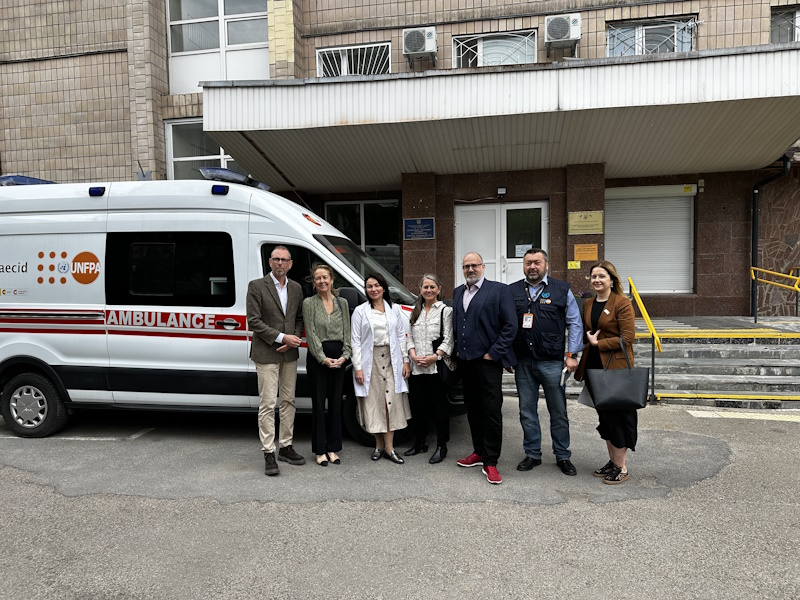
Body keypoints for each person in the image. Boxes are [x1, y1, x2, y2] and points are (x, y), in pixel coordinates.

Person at [510, 248, 583, 476]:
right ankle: (532, 454)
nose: (532, 267)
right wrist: (507, 356)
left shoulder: (562, 290)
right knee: (526, 411)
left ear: (546, 265)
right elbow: (505, 325)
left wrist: (572, 355)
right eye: (528, 263)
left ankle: (563, 455)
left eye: (537, 262)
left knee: (558, 411)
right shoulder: (512, 291)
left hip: (552, 363)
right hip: (523, 362)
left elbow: (575, 323)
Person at [452, 252, 518, 485]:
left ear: (483, 266)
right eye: (466, 266)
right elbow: (457, 323)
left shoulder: (499, 290)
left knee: (491, 411)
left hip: (488, 362)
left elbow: (510, 326)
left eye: (474, 265)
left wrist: (494, 353)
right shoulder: (458, 292)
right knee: (473, 409)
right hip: (466, 361)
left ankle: (491, 461)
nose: (470, 269)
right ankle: (479, 452)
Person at [574, 260, 637, 485]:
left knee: (618, 417)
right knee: (605, 417)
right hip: (594, 368)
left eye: (602, 276)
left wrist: (598, 343)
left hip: (615, 369)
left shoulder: (622, 303)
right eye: (594, 276)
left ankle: (622, 467)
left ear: (612, 279)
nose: (597, 280)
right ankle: (612, 462)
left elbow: (628, 337)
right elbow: (586, 332)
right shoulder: (588, 303)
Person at [247, 245, 306, 476]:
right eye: (276, 259)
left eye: (284, 260)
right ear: (270, 262)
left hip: (289, 353)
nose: (280, 263)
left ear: (290, 264)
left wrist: (294, 340)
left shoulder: (296, 288)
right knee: (268, 403)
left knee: (288, 401)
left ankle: (286, 446)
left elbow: (299, 318)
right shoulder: (256, 286)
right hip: (266, 353)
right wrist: (282, 337)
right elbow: (254, 321)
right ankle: (268, 452)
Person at [351, 273, 412, 464]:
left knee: (390, 404)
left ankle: (389, 448)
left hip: (392, 360)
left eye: (377, 285)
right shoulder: (360, 311)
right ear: (366, 290)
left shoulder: (393, 309)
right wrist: (358, 368)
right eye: (369, 286)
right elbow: (355, 341)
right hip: (371, 361)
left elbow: (401, 336)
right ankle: (378, 446)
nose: (374, 289)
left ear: (384, 288)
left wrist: (405, 360)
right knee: (375, 403)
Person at [302, 264, 351, 467]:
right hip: (318, 359)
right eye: (317, 278)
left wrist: (345, 355)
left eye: (325, 277)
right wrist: (323, 358)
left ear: (332, 280)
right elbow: (311, 333)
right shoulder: (309, 303)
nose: (322, 281)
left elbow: (347, 331)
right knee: (319, 404)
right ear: (313, 282)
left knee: (336, 405)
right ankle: (320, 450)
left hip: (339, 359)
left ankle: (333, 448)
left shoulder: (342, 303)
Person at [405, 273, 454, 464]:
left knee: (440, 409)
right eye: (425, 287)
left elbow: (449, 338)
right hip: (417, 368)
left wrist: (435, 356)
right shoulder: (415, 311)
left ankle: (442, 446)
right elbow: (409, 337)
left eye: (432, 287)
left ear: (439, 289)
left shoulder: (445, 311)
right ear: (420, 289)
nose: (429, 290)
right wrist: (412, 355)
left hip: (436, 369)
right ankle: (420, 442)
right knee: (418, 407)